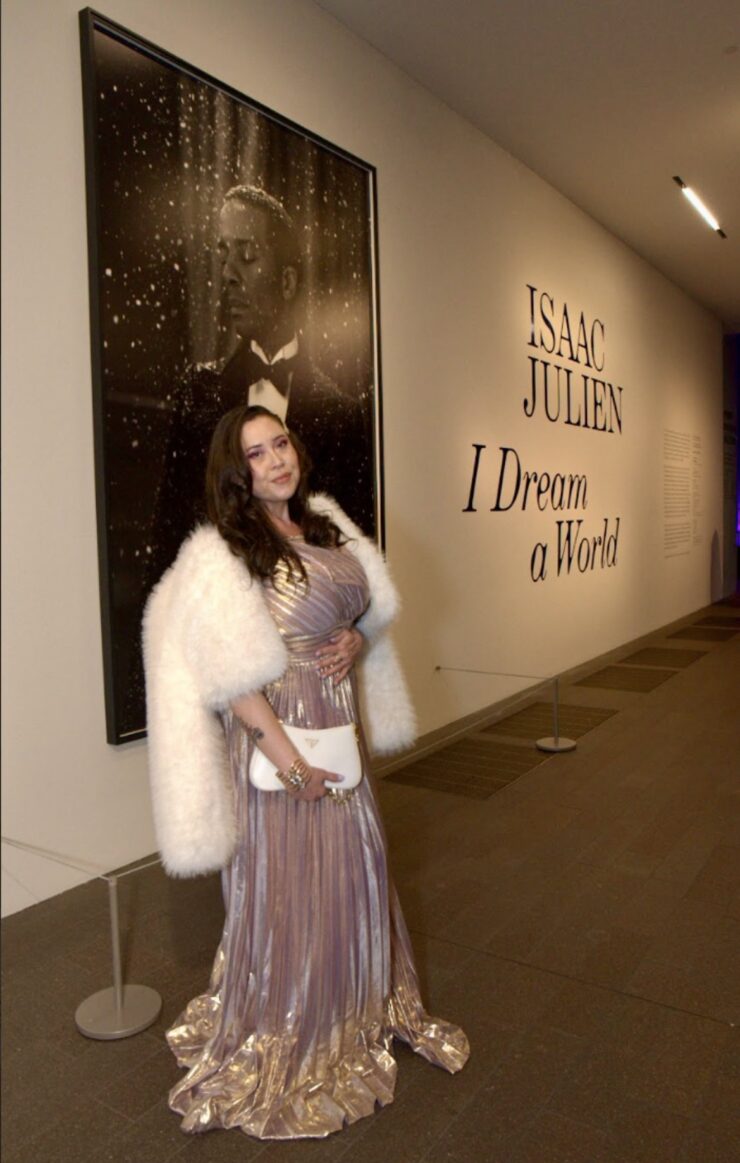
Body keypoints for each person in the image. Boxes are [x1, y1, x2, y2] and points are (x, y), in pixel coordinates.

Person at [143, 405, 469, 1140]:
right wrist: (289, 764)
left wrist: (355, 636)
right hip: (278, 737)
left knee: (356, 868)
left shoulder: (324, 525)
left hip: (335, 725)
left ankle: (354, 1005)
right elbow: (229, 676)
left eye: (280, 443)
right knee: (290, 885)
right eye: (255, 454)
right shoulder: (228, 551)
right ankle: (290, 1021)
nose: (275, 460)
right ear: (238, 472)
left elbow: (360, 610)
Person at [150, 185, 373, 588]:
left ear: (288, 281)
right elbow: (168, 542)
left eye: (247, 255)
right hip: (219, 634)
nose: (228, 276)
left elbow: (358, 551)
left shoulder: (341, 414)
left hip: (312, 635)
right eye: (223, 257)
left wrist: (358, 635)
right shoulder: (198, 395)